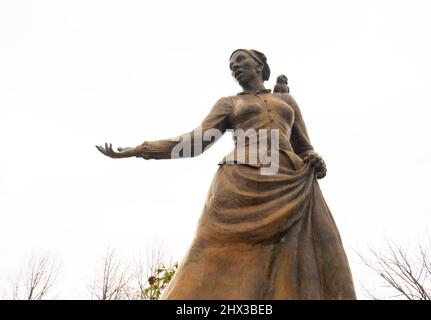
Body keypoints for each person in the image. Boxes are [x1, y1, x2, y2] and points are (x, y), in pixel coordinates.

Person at [96, 49, 356, 299]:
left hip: (290, 180)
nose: (235, 67)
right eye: (231, 66)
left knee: (310, 250)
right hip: (239, 182)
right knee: (210, 251)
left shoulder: (286, 100)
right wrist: (141, 149)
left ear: (259, 65)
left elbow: (305, 147)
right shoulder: (229, 103)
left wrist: (315, 159)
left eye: (240, 60)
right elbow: (196, 141)